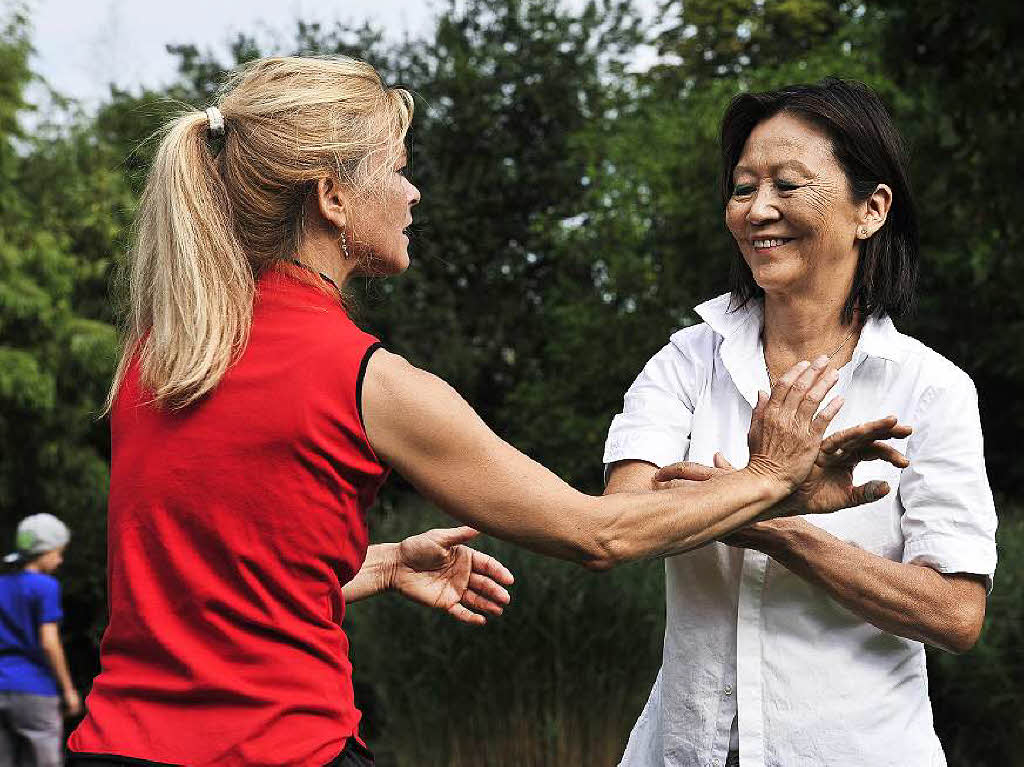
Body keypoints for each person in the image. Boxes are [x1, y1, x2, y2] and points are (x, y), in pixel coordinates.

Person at [65, 58, 906, 766]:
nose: (413, 191)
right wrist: (769, 475)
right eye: (396, 168)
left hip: (114, 745)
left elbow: (207, 590)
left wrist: (381, 563)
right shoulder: (366, 380)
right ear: (331, 195)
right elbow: (595, 534)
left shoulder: (164, 356)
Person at [603, 77, 997, 767]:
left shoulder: (930, 389)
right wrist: (769, 483)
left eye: (787, 185)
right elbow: (618, 524)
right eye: (743, 186)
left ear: (870, 209)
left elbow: (955, 612)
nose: (757, 210)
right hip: (685, 750)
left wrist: (779, 525)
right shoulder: (688, 360)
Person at [1, 514, 81, 767]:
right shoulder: (45, 586)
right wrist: (68, 690)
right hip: (34, 689)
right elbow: (49, 642)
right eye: (58, 552)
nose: (60, 560)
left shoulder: (2, 584)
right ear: (44, 551)